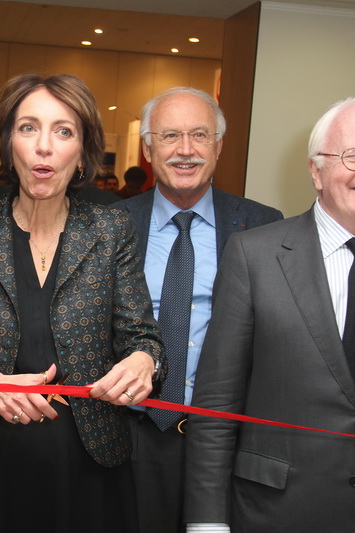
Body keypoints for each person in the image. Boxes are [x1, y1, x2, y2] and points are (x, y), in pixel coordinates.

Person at [0, 73, 165, 533]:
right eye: (28, 128)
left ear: (83, 150)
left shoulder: (111, 231)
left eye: (63, 131)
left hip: (86, 465)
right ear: (10, 143)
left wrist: (145, 361)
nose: (44, 146)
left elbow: (143, 338)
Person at [184, 95, 355, 532]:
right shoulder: (254, 256)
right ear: (316, 170)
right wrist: (207, 523)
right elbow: (217, 404)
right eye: (354, 155)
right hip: (275, 512)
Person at [113, 86, 282, 533]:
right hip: (126, 433)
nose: (185, 150)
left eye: (199, 135)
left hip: (224, 438)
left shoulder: (263, 225)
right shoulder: (108, 224)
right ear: (148, 149)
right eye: (169, 136)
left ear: (219, 146)